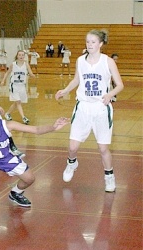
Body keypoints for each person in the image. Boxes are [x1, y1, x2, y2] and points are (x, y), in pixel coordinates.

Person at [55, 29, 124, 192]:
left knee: (103, 148)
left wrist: (110, 94)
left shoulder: (107, 62)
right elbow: (77, 80)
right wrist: (65, 90)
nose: (90, 44)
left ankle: (109, 176)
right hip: (83, 106)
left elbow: (120, 85)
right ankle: (72, 163)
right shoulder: (80, 60)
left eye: (93, 42)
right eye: (87, 41)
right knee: (72, 147)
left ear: (100, 44)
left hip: (101, 107)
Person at [1, 50, 36, 125]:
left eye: (22, 55)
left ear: (24, 56)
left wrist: (33, 76)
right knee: (18, 102)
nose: (21, 56)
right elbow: (7, 72)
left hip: (22, 86)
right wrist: (3, 80)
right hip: (14, 85)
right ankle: (24, 117)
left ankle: (7, 113)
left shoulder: (26, 64)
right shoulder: (13, 64)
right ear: (17, 56)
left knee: (16, 102)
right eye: (19, 55)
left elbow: (30, 73)